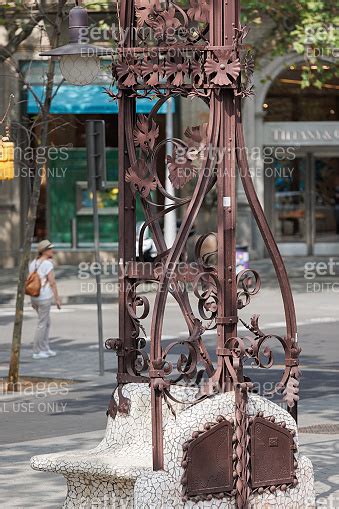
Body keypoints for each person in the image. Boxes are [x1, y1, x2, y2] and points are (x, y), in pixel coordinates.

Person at [29, 240, 61, 359]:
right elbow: (52, 282)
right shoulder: (48, 264)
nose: (52, 251)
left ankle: (45, 348)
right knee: (42, 324)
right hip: (44, 297)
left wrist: (31, 299)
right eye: (50, 249)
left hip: (35, 297)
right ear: (44, 251)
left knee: (46, 323)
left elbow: (30, 282)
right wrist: (57, 299)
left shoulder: (33, 263)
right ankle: (37, 351)